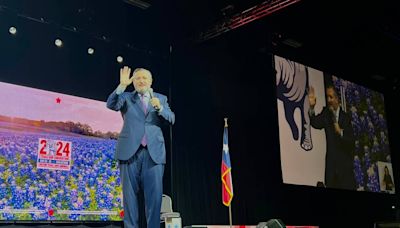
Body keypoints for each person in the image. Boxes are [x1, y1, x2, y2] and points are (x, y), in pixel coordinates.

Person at [107, 66, 175, 228]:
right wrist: (121, 86)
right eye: (137, 78)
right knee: (129, 199)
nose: (141, 81)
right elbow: (111, 104)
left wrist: (160, 108)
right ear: (133, 82)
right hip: (129, 153)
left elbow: (171, 118)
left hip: (154, 154)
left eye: (144, 78)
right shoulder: (126, 97)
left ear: (151, 81)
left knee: (155, 198)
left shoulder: (161, 98)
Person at [308, 85, 355, 190]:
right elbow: (315, 123)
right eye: (327, 97)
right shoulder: (326, 114)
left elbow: (351, 142)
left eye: (331, 97)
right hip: (331, 171)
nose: (328, 100)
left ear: (337, 99)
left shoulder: (346, 118)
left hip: (345, 173)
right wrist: (311, 107)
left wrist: (340, 132)